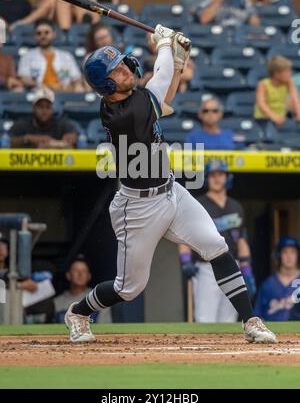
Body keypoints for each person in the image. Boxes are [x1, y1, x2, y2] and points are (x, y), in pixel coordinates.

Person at [63, 24, 276, 344]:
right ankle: (79, 312)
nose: (124, 69)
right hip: (137, 207)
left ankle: (250, 320)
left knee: (217, 246)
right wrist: (164, 44)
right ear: (107, 85)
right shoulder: (122, 113)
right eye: (116, 71)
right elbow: (159, 85)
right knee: (128, 288)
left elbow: (164, 97)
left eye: (122, 64)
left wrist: (177, 60)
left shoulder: (134, 100)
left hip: (171, 192)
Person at [179, 161, 256, 323]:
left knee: (229, 318)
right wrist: (185, 260)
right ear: (207, 178)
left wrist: (247, 271)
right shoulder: (198, 204)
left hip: (231, 265)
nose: (216, 178)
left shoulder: (236, 207)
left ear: (227, 178)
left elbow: (241, 241)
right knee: (205, 317)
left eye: (220, 174)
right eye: (212, 175)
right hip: (207, 267)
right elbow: (185, 236)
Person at [17, 18, 84, 92]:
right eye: (39, 33)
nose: (43, 36)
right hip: (39, 94)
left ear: (54, 34)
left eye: (46, 32)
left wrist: (69, 86)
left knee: (79, 89)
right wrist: (38, 84)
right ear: (35, 36)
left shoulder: (66, 56)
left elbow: (77, 78)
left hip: (63, 94)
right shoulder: (28, 56)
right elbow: (23, 78)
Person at [9, 88, 78, 149]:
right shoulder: (23, 124)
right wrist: (29, 139)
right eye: (40, 107)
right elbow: (9, 142)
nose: (44, 111)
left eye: (48, 107)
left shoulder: (61, 123)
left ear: (52, 109)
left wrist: (70, 138)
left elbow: (73, 135)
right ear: (34, 108)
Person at [255, 237, 300, 321]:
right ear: (278, 255)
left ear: (298, 255)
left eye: (293, 252)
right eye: (285, 252)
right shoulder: (268, 284)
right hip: (272, 332)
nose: (289, 256)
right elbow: (258, 316)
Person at [254, 56, 300, 128]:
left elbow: (295, 99)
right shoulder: (263, 84)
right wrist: (273, 116)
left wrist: (299, 114)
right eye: (287, 72)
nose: (290, 73)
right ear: (276, 73)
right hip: (263, 119)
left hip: (281, 120)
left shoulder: (289, 83)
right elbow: (261, 104)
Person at [55, 257, 102, 323]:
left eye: (84, 271)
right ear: (68, 275)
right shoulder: (57, 302)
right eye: (76, 270)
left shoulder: (99, 298)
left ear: (89, 276)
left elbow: (105, 328)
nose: (80, 274)